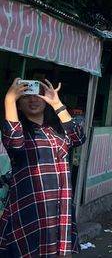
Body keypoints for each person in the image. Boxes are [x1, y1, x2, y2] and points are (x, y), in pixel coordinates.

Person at [0, 78, 86, 257]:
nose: (33, 100)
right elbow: (15, 142)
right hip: (28, 208)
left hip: (57, 207)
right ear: (19, 104)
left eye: (38, 95)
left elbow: (78, 137)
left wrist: (57, 103)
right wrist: (9, 99)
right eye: (25, 97)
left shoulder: (55, 129)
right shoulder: (18, 129)